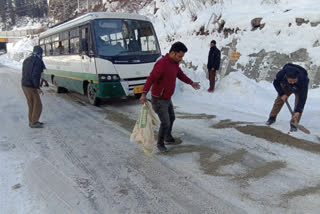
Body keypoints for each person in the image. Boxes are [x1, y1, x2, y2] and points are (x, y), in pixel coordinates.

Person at [140, 42, 200, 152]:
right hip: (158, 99)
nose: (181, 59)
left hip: (167, 98)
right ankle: (160, 143)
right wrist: (144, 94)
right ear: (172, 53)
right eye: (180, 56)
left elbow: (180, 75)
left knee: (172, 117)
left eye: (182, 56)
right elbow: (151, 78)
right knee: (166, 122)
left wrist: (191, 83)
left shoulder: (175, 63)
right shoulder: (162, 64)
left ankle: (167, 137)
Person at [266, 63, 309, 131]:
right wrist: (282, 93)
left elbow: (303, 97)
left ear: (297, 77)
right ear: (286, 77)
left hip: (299, 89)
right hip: (285, 86)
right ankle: (272, 117)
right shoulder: (282, 74)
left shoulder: (304, 79)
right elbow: (276, 83)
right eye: (290, 81)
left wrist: (298, 110)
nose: (292, 83)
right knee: (279, 100)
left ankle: (294, 123)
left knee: (298, 106)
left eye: (294, 81)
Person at [21, 46, 46, 128]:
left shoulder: (27, 60)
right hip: (31, 86)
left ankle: (31, 121)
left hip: (24, 85)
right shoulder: (38, 61)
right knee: (38, 104)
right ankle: (34, 122)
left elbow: (24, 72)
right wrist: (37, 88)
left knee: (31, 104)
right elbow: (35, 75)